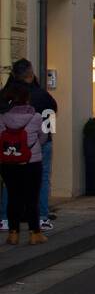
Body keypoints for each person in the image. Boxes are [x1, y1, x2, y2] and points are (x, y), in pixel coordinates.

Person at [0, 59, 58, 233]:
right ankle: (41, 219)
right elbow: (50, 119)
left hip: (10, 147)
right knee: (39, 182)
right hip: (36, 147)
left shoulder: (5, 95)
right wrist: (44, 140)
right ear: (31, 74)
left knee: (9, 184)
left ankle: (5, 219)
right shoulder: (40, 95)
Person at [0, 83, 48, 245]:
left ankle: (13, 233)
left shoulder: (3, 118)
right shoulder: (36, 117)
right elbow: (43, 138)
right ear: (27, 99)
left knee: (13, 197)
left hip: (8, 162)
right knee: (31, 198)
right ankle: (35, 233)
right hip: (31, 162)